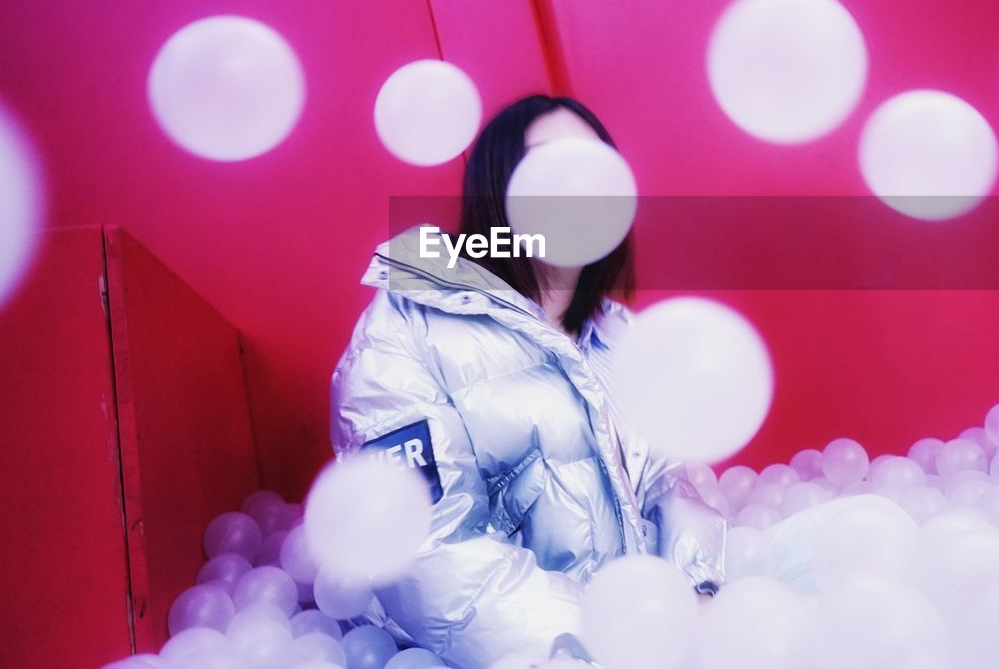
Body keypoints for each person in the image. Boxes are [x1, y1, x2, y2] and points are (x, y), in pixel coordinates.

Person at [329, 94, 904, 667]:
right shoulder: (406, 324)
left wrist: (699, 597)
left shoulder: (618, 333)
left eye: (595, 163)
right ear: (500, 185)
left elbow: (672, 487)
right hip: (533, 646)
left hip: (654, 622)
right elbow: (426, 551)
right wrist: (610, 638)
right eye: (553, 162)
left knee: (871, 530)